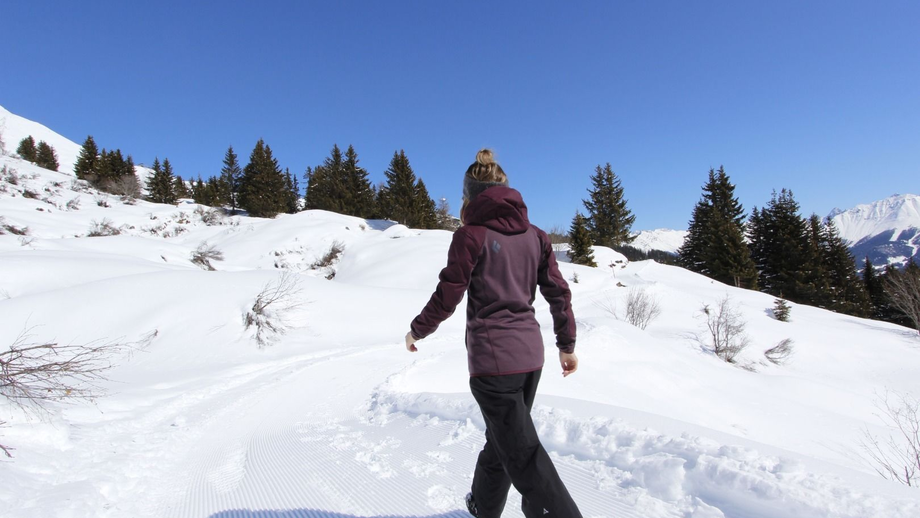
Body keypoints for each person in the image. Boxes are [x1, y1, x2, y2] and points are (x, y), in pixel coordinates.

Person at [405, 149, 583, 518]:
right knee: (504, 440)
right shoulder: (537, 236)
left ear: (470, 196)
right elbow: (558, 293)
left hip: (493, 364)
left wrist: (416, 331)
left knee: (524, 455)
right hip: (531, 359)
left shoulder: (471, 235)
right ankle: (483, 507)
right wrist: (566, 345)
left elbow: (449, 293)